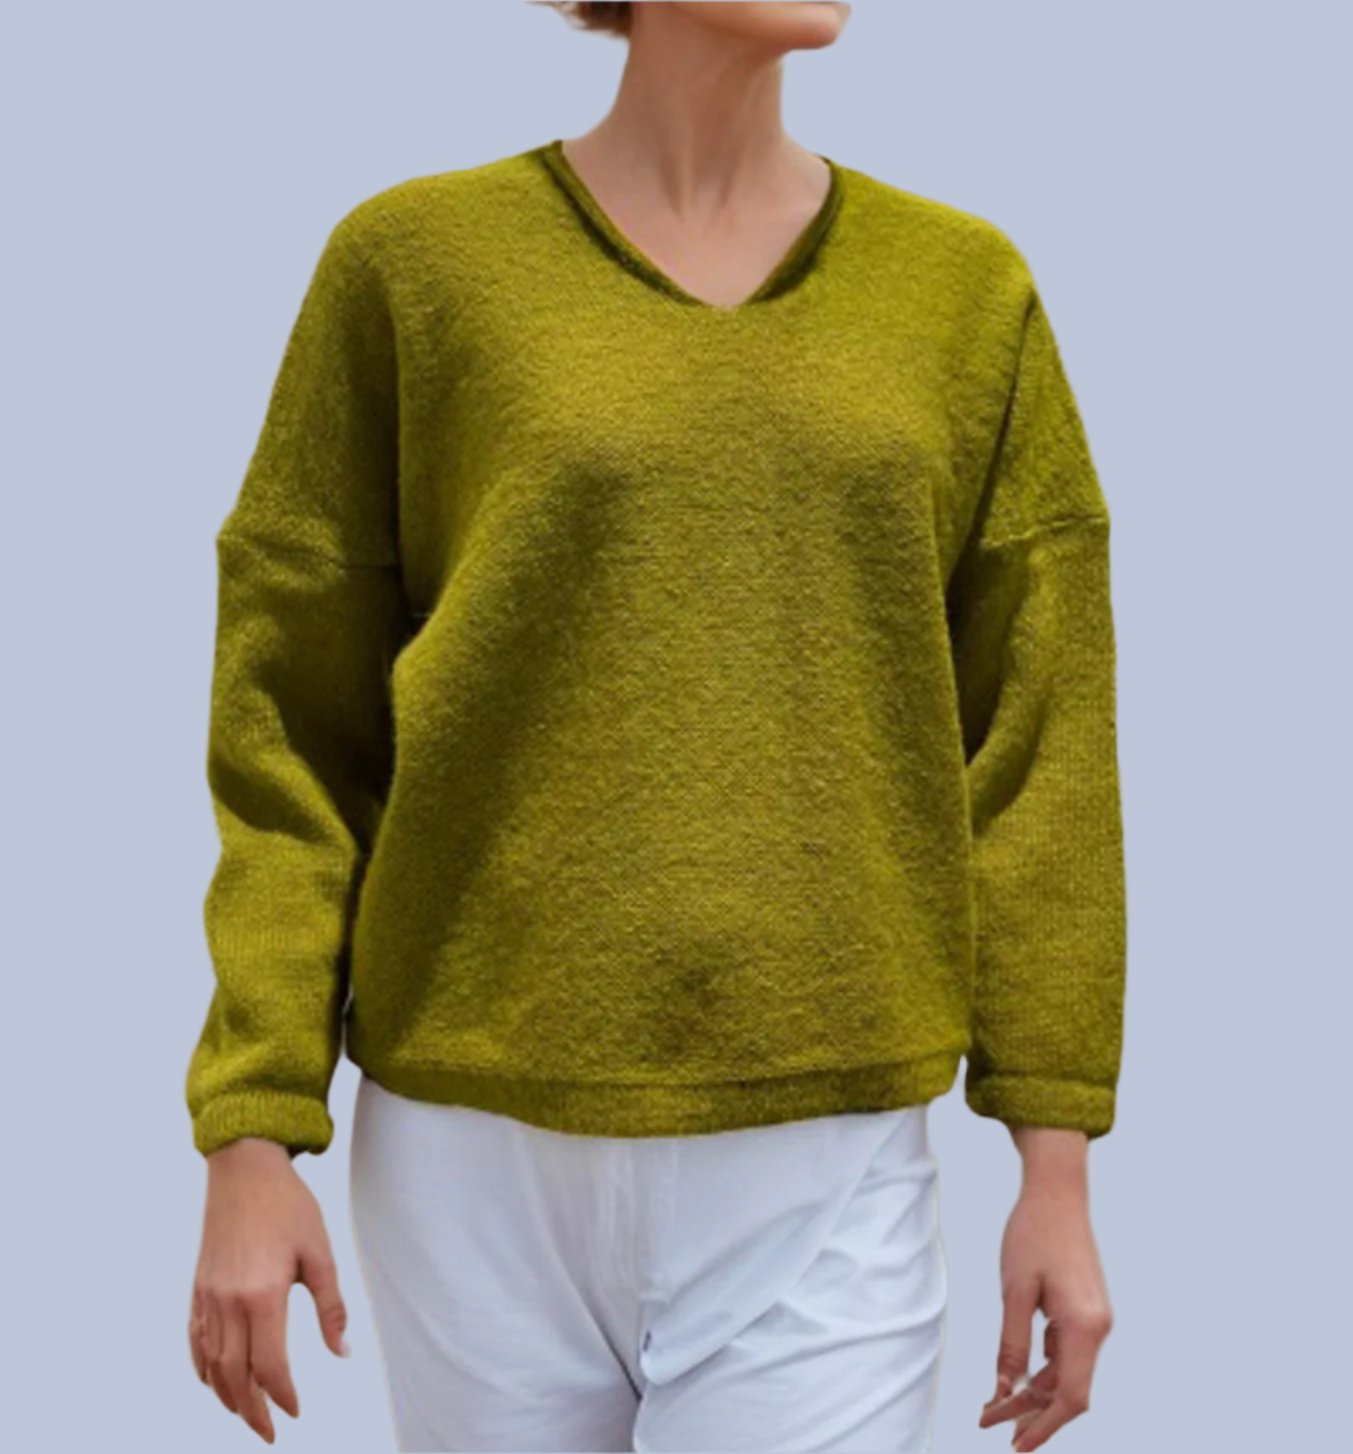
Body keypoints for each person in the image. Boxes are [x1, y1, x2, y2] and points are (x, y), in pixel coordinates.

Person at [184, 3, 1125, 1451]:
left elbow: (1042, 749)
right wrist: (252, 1127)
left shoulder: (962, 292)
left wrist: (1053, 1164)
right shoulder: (415, 266)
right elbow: (289, 730)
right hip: (469, 1154)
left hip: (826, 1153)